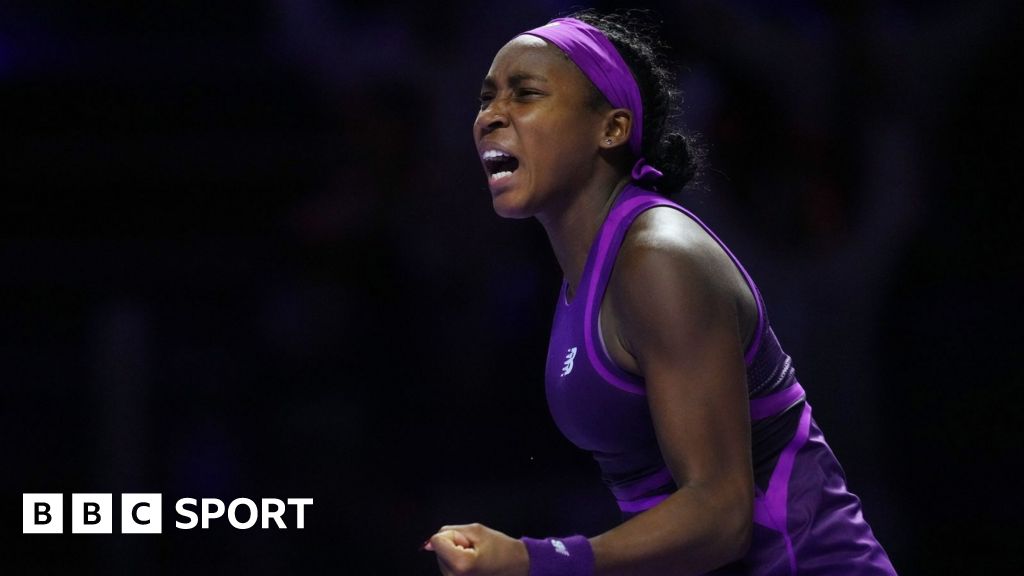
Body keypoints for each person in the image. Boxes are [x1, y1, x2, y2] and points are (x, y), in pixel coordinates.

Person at [425, 10, 897, 576]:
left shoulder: (658, 258)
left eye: (525, 94)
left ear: (612, 128)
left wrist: (535, 560)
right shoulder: (589, 270)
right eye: (486, 98)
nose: (490, 117)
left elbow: (722, 516)